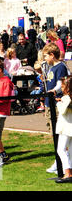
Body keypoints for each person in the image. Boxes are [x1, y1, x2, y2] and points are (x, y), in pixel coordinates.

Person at [42, 43, 70, 175]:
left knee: (60, 134)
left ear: (52, 55)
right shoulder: (51, 67)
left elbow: (61, 83)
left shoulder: (61, 67)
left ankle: (61, 162)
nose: (45, 59)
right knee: (53, 132)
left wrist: (53, 91)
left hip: (58, 104)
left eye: (46, 56)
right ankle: (60, 161)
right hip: (50, 103)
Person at [54, 76, 72, 183]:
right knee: (70, 149)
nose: (61, 87)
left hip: (66, 128)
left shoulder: (67, 98)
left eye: (63, 85)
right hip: (70, 127)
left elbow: (62, 110)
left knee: (61, 149)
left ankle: (67, 173)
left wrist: (58, 102)